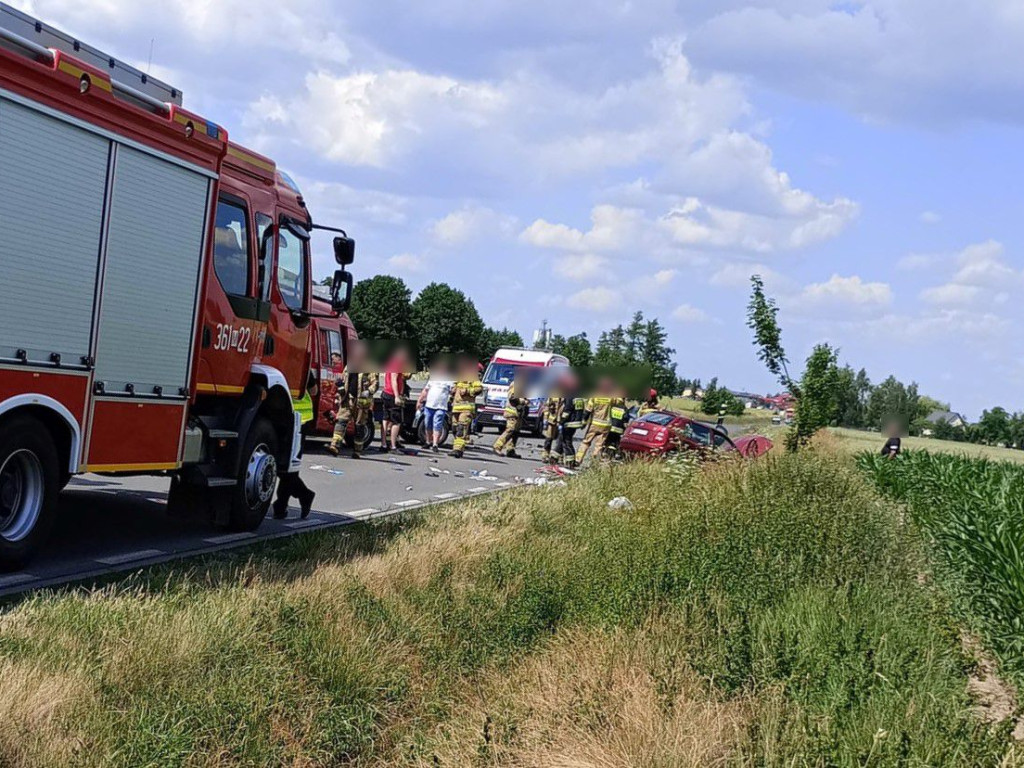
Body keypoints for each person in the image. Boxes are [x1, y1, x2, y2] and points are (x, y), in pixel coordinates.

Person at [274, 371, 317, 520]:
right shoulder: (304, 367)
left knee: (286, 466)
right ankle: (299, 497)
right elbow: (314, 390)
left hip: (295, 418)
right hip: (298, 418)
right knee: (286, 466)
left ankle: (282, 506)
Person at [574, 377, 624, 466]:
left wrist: (584, 422)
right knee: (599, 445)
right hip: (605, 425)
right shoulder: (611, 397)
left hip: (594, 424)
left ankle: (578, 459)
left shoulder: (594, 396)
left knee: (586, 442)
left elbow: (588, 411)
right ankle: (594, 463)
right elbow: (620, 401)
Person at [416, 360, 454, 453]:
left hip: (441, 407)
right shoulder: (433, 378)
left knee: (437, 424)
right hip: (429, 405)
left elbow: (453, 391)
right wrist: (419, 400)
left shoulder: (449, 380)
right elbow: (426, 390)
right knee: (427, 423)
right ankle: (428, 441)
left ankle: (435, 444)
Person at [450, 358, 484, 459]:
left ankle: (457, 449)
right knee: (455, 429)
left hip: (466, 408)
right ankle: (459, 448)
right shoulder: (459, 378)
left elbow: (479, 389)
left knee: (461, 428)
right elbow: (454, 391)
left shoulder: (473, 377)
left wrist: (467, 391)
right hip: (456, 408)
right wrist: (452, 392)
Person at [380, 347, 411, 453]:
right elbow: (394, 380)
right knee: (396, 422)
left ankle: (384, 444)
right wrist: (397, 396)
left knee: (386, 419)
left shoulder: (390, 362)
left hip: (386, 393)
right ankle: (393, 446)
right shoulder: (397, 363)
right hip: (392, 394)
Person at [493, 368, 530, 459]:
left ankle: (510, 450)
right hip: (512, 412)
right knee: (510, 430)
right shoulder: (516, 384)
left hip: (518, 413)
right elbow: (512, 398)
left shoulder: (522, 385)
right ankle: (497, 446)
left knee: (515, 432)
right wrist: (523, 401)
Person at [560, 375, 586, 468]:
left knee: (566, 442)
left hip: (569, 422)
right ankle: (570, 461)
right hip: (576, 422)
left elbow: (567, 410)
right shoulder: (579, 397)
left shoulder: (570, 396)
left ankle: (570, 462)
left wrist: (561, 421)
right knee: (569, 441)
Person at [540, 385, 566, 465]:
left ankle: (559, 457)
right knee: (549, 439)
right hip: (552, 421)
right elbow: (547, 407)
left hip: (561, 421)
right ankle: (545, 455)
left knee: (560, 440)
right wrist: (545, 419)